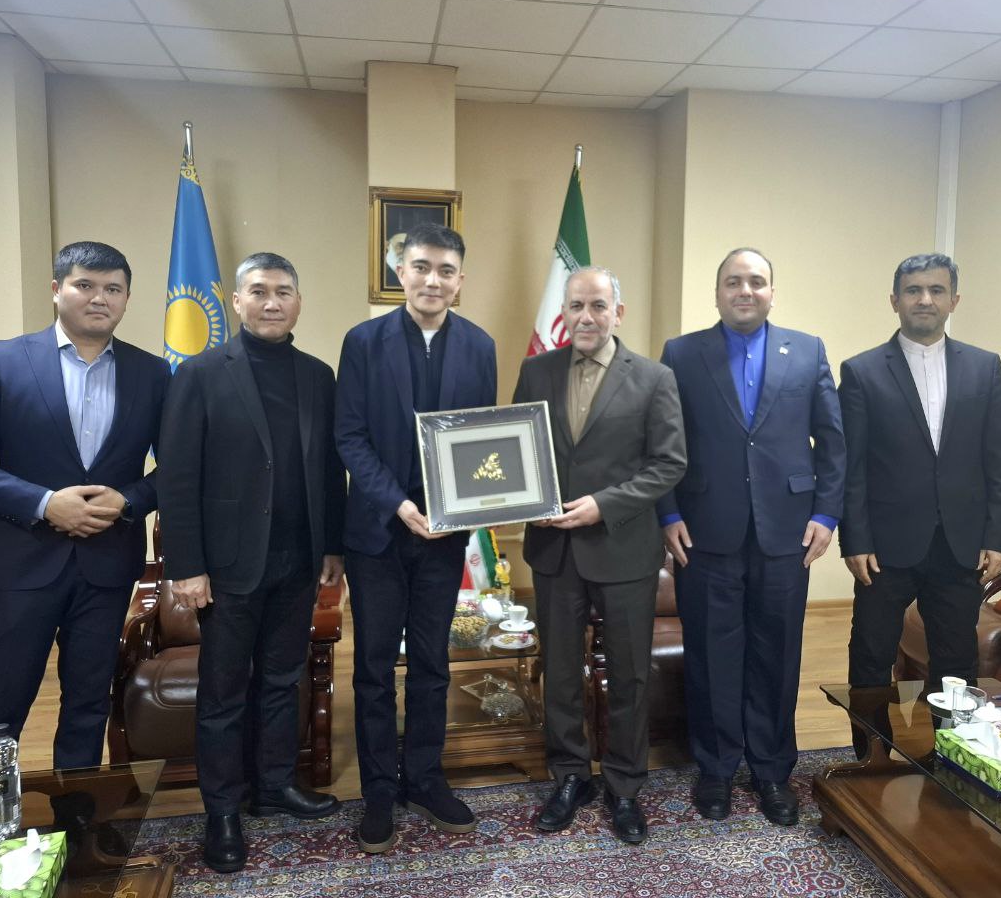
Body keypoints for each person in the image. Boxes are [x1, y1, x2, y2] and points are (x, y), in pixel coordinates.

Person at [0, 241, 169, 778]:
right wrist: (44, 504)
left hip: (107, 568)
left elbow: (177, 469)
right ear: (56, 289)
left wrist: (129, 500)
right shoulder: (2, 361)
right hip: (18, 566)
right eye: (84, 285)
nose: (99, 298)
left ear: (126, 298)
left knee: (88, 706)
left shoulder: (153, 374)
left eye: (113, 289)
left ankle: (78, 818)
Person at [157, 252, 346, 873]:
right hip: (228, 566)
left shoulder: (318, 376)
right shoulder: (199, 373)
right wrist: (186, 566)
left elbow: (330, 470)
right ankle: (222, 810)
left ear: (298, 302)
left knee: (282, 680)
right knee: (223, 692)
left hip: (298, 560)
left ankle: (274, 785)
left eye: (283, 291)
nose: (272, 302)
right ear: (236, 301)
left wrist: (333, 546)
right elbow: (177, 478)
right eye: (259, 291)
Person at [658, 247, 845, 826]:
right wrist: (668, 513)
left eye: (756, 281)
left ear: (771, 292)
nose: (745, 291)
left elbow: (832, 441)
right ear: (717, 292)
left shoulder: (808, 350)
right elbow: (662, 442)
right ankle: (715, 769)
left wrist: (827, 514)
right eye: (734, 282)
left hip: (788, 532)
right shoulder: (681, 354)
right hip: (704, 530)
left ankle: (772, 771)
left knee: (776, 654)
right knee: (711, 655)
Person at [335, 223, 497, 854]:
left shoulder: (480, 346)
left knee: (432, 663)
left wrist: (467, 507)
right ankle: (379, 789)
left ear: (460, 281)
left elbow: (481, 439)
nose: (433, 280)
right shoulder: (363, 341)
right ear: (400, 272)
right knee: (374, 668)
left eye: (446, 271)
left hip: (444, 536)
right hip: (379, 530)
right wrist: (400, 505)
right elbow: (350, 437)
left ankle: (426, 777)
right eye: (422, 267)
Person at [514, 266, 686, 845]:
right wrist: (526, 499)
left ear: (618, 312)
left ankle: (625, 785)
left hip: (623, 547)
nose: (585, 317)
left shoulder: (655, 378)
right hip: (554, 549)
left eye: (597, 306)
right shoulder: (536, 370)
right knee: (561, 672)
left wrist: (603, 505)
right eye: (575, 306)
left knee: (630, 674)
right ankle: (569, 776)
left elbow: (669, 463)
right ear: (563, 312)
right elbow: (519, 450)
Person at [840, 253, 1001, 733]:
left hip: (960, 545)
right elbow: (851, 467)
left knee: (957, 663)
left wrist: (996, 537)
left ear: (953, 300)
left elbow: (1000, 460)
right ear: (894, 300)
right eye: (913, 290)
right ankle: (872, 759)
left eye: (936, 290)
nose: (925, 299)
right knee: (871, 656)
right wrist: (854, 539)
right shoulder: (861, 371)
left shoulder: (984, 368)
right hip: (883, 548)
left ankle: (951, 760)